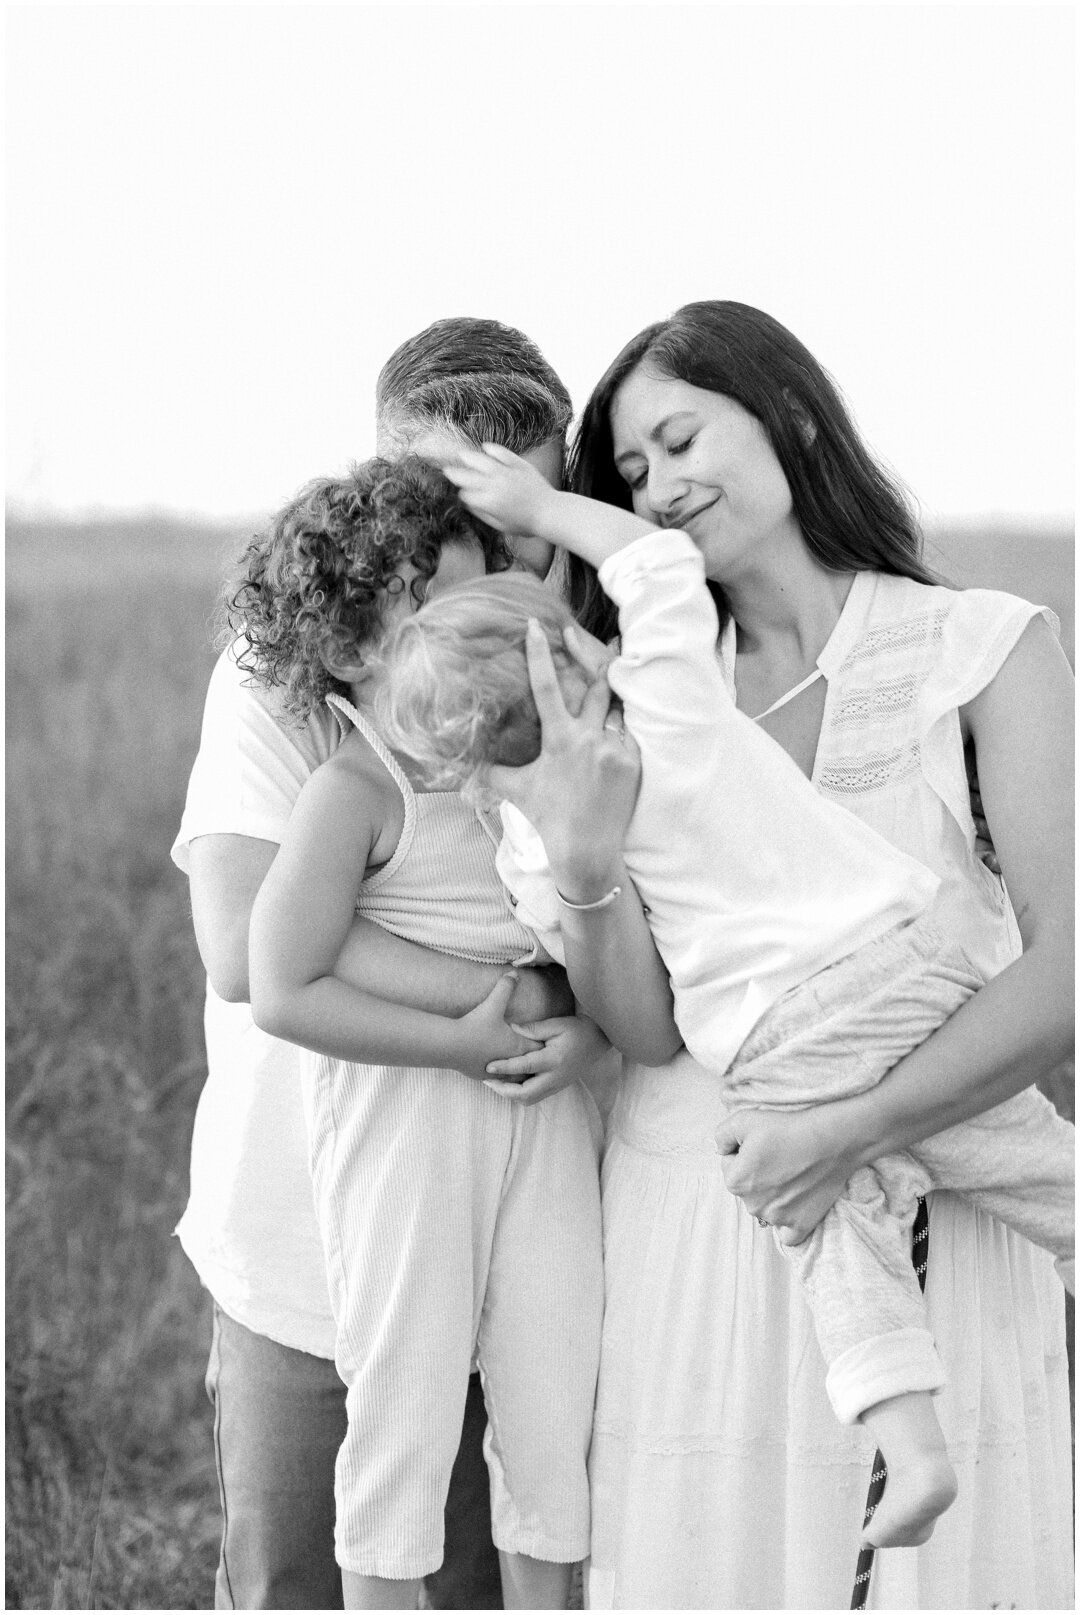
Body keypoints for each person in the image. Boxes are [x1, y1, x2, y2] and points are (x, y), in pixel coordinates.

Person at [460, 303, 1072, 1609]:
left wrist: (850, 1129)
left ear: (791, 410)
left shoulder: (987, 651)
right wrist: (583, 866)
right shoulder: (624, 705)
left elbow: (1066, 976)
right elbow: (648, 1033)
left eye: (680, 440)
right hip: (705, 1235)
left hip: (940, 1223)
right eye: (629, 474)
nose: (662, 488)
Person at [170, 317, 591, 1610]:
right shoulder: (282, 676)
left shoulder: (558, 666)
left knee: (509, 1536)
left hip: (523, 1190)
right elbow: (252, 950)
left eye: (512, 524)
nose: (479, 564)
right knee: (318, 1569)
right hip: (307, 1226)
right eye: (439, 502)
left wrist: (576, 1009)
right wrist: (507, 999)